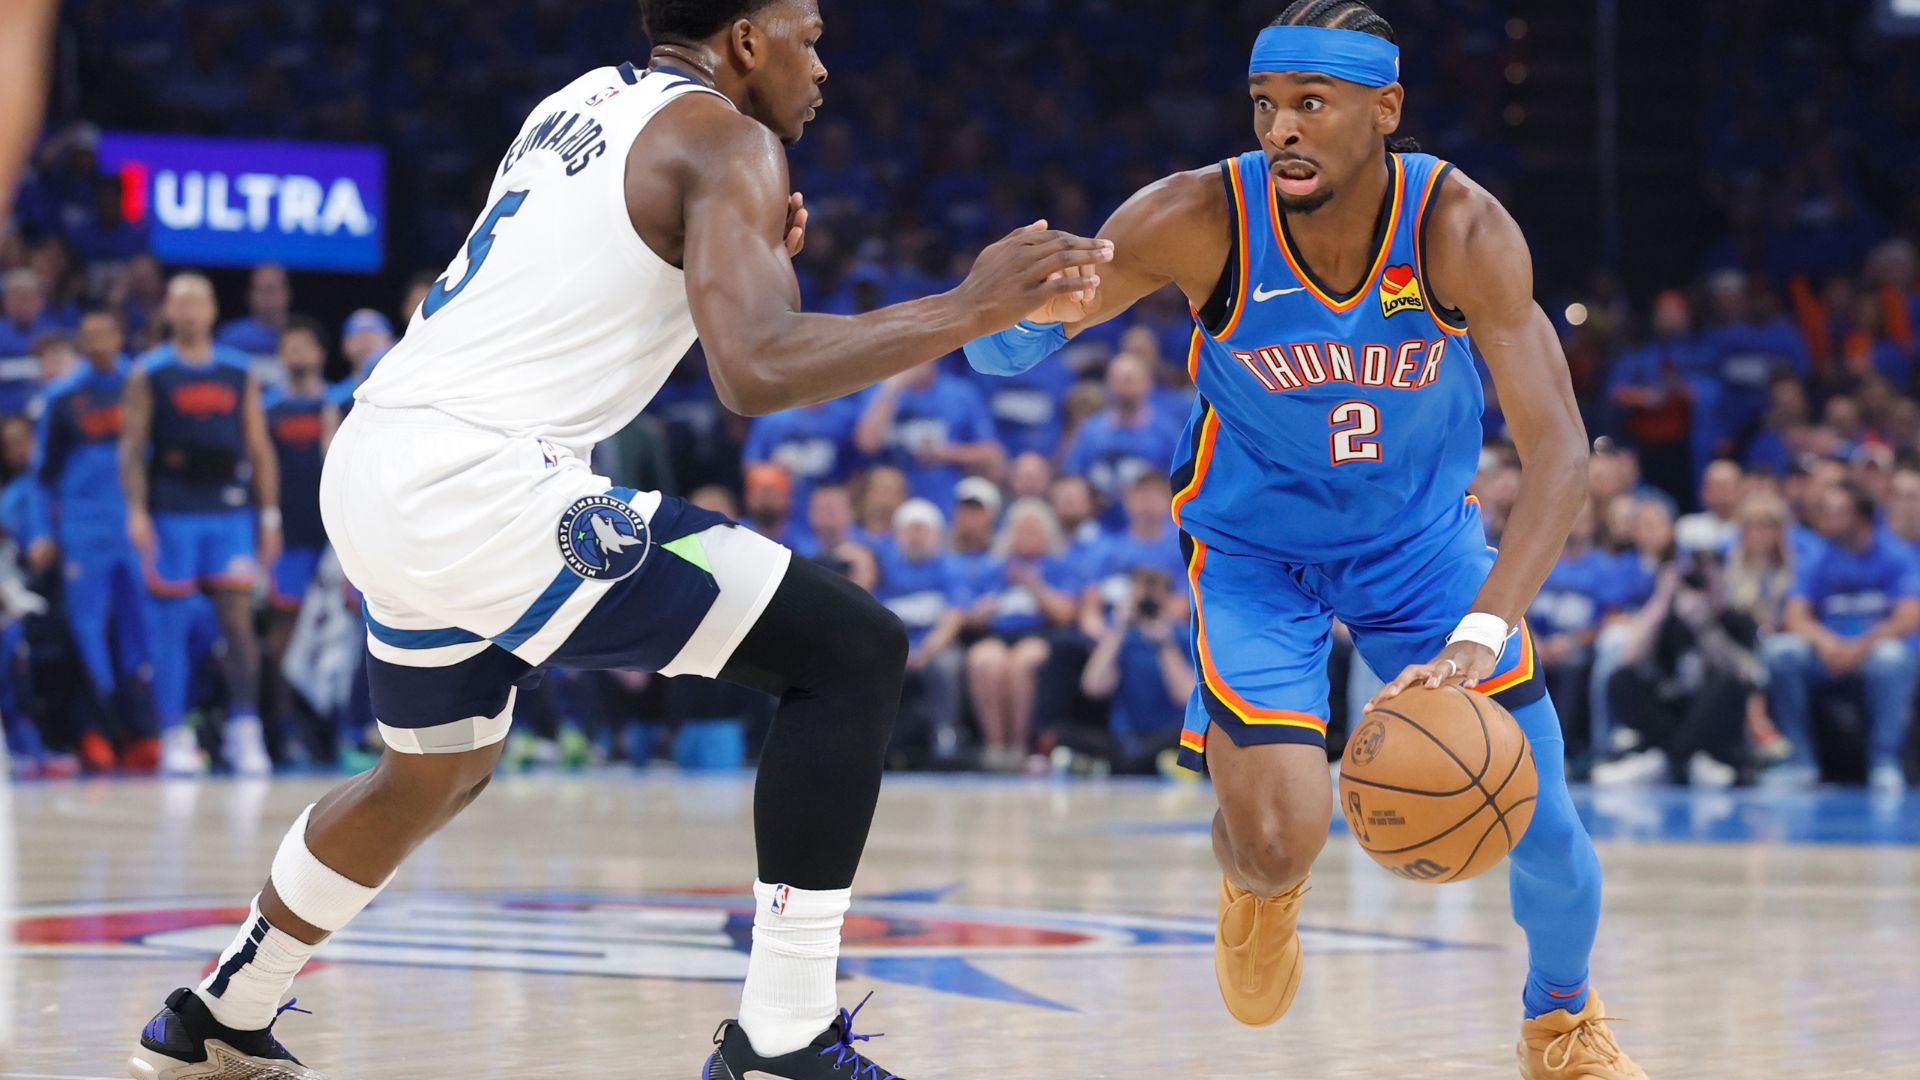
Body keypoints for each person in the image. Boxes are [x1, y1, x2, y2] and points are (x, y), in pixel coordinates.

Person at [125, 2, 1112, 1077]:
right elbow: (757, 374)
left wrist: (737, 267)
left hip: (377, 460)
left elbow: (614, 299)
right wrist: (968, 306)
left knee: (432, 774)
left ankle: (220, 1014)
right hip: (480, 478)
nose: (823, 64)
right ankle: (782, 1042)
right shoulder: (731, 139)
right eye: (808, 34)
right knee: (849, 653)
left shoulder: (580, 102)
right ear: (743, 40)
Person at [964, 4, 1637, 1074]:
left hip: (1420, 549)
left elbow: (1560, 455)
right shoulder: (1198, 218)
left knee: (1541, 825)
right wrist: (995, 314)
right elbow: (1003, 360)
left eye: (1311, 105)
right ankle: (1257, 887)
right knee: (1279, 841)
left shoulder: (1459, 228)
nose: (1282, 128)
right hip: (1254, 553)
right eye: (1266, 105)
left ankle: (1561, 1023)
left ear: (1386, 110)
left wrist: (1481, 628)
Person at [119, 273, 280, 779]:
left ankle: (244, 728)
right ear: (167, 310)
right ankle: (173, 734)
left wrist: (270, 514)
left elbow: (258, 446)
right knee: (169, 626)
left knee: (237, 622)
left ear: (213, 309)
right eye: (180, 302)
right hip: (171, 508)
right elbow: (131, 449)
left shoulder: (238, 370)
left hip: (229, 510)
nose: (189, 310)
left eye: (198, 301)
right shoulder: (150, 371)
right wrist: (137, 510)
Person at [34, 310, 156, 771]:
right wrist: (43, 531)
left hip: (137, 528)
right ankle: (95, 734)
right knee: (87, 635)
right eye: (90, 335)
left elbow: (155, 459)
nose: (98, 341)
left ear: (120, 335)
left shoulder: (141, 384)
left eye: (106, 333)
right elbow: (43, 477)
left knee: (139, 633)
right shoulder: (63, 396)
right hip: (84, 533)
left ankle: (143, 733)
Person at [1761, 483, 1919, 795]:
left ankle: (1884, 763)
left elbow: (1909, 617)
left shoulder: (1895, 554)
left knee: (1893, 658)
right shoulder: (1819, 555)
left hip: (1872, 652)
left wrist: (1859, 648)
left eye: (1835, 512)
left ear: (1860, 517)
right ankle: (1800, 762)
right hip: (1829, 655)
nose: (1825, 518)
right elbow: (1796, 615)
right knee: (1779, 652)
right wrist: (1826, 643)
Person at [261, 318, 339, 764]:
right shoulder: (268, 410)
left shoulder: (340, 405)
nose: (296, 354)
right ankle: (285, 730)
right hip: (288, 539)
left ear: (320, 354)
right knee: (283, 638)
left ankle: (335, 730)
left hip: (332, 540)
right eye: (287, 347)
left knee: (339, 635)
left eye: (303, 345)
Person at [962, 497, 1082, 771]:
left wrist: (1034, 587)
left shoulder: (1058, 565)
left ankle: (1019, 745)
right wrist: (981, 612)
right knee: (984, 662)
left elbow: (1065, 613)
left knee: (1021, 664)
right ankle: (995, 745)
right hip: (997, 634)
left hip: (1040, 633)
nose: (1025, 535)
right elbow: (968, 614)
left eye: (1033, 529)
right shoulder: (994, 566)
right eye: (1020, 529)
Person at [215, 265, 294, 361]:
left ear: (287, 293)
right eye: (260, 289)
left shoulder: (302, 333)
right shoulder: (232, 336)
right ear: (250, 295)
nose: (267, 296)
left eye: (272, 288)